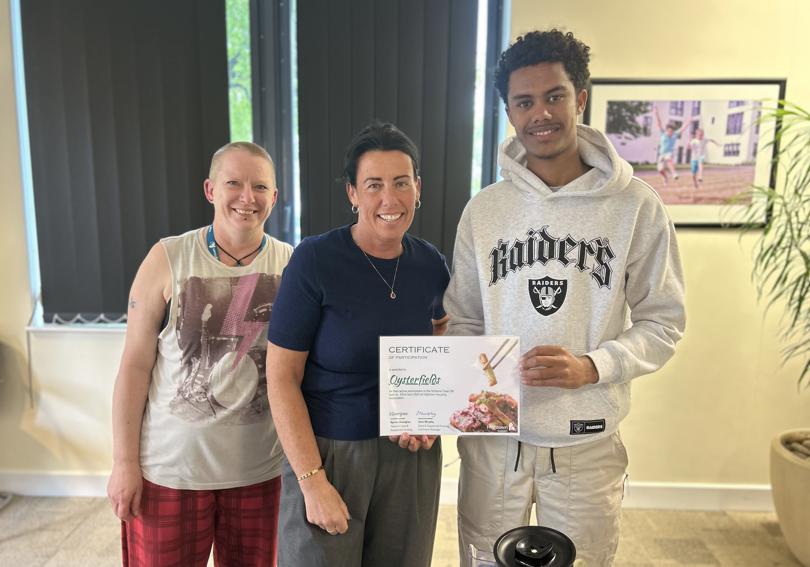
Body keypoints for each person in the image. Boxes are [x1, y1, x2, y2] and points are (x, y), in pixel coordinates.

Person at [444, 30, 686, 566]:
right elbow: (463, 320)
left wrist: (594, 366)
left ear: (579, 97)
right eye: (524, 102)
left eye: (554, 96)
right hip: (494, 441)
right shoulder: (483, 212)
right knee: (483, 560)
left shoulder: (635, 206)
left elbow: (664, 322)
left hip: (587, 440)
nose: (540, 114)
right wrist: (458, 394)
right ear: (509, 112)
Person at [265, 122, 450, 567]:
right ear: (352, 193)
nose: (390, 199)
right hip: (330, 454)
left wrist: (428, 407)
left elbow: (445, 331)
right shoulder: (315, 260)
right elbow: (281, 378)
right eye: (374, 185)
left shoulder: (431, 265)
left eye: (401, 182)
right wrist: (312, 482)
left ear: (418, 188)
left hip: (410, 459)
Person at [107, 142, 293, 567]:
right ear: (210, 189)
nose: (247, 197)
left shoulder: (292, 265)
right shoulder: (167, 258)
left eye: (260, 186)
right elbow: (134, 367)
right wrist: (123, 463)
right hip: (170, 473)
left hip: (260, 475)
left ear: (275, 196)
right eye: (234, 183)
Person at [653, 106, 692, 184]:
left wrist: (688, 122)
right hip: (661, 154)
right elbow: (659, 123)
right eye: (669, 131)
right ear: (667, 130)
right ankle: (665, 178)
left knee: (669, 160)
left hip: (669, 153)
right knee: (660, 169)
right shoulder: (663, 134)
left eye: (672, 131)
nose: (670, 132)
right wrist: (656, 113)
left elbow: (682, 129)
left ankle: (674, 173)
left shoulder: (675, 135)